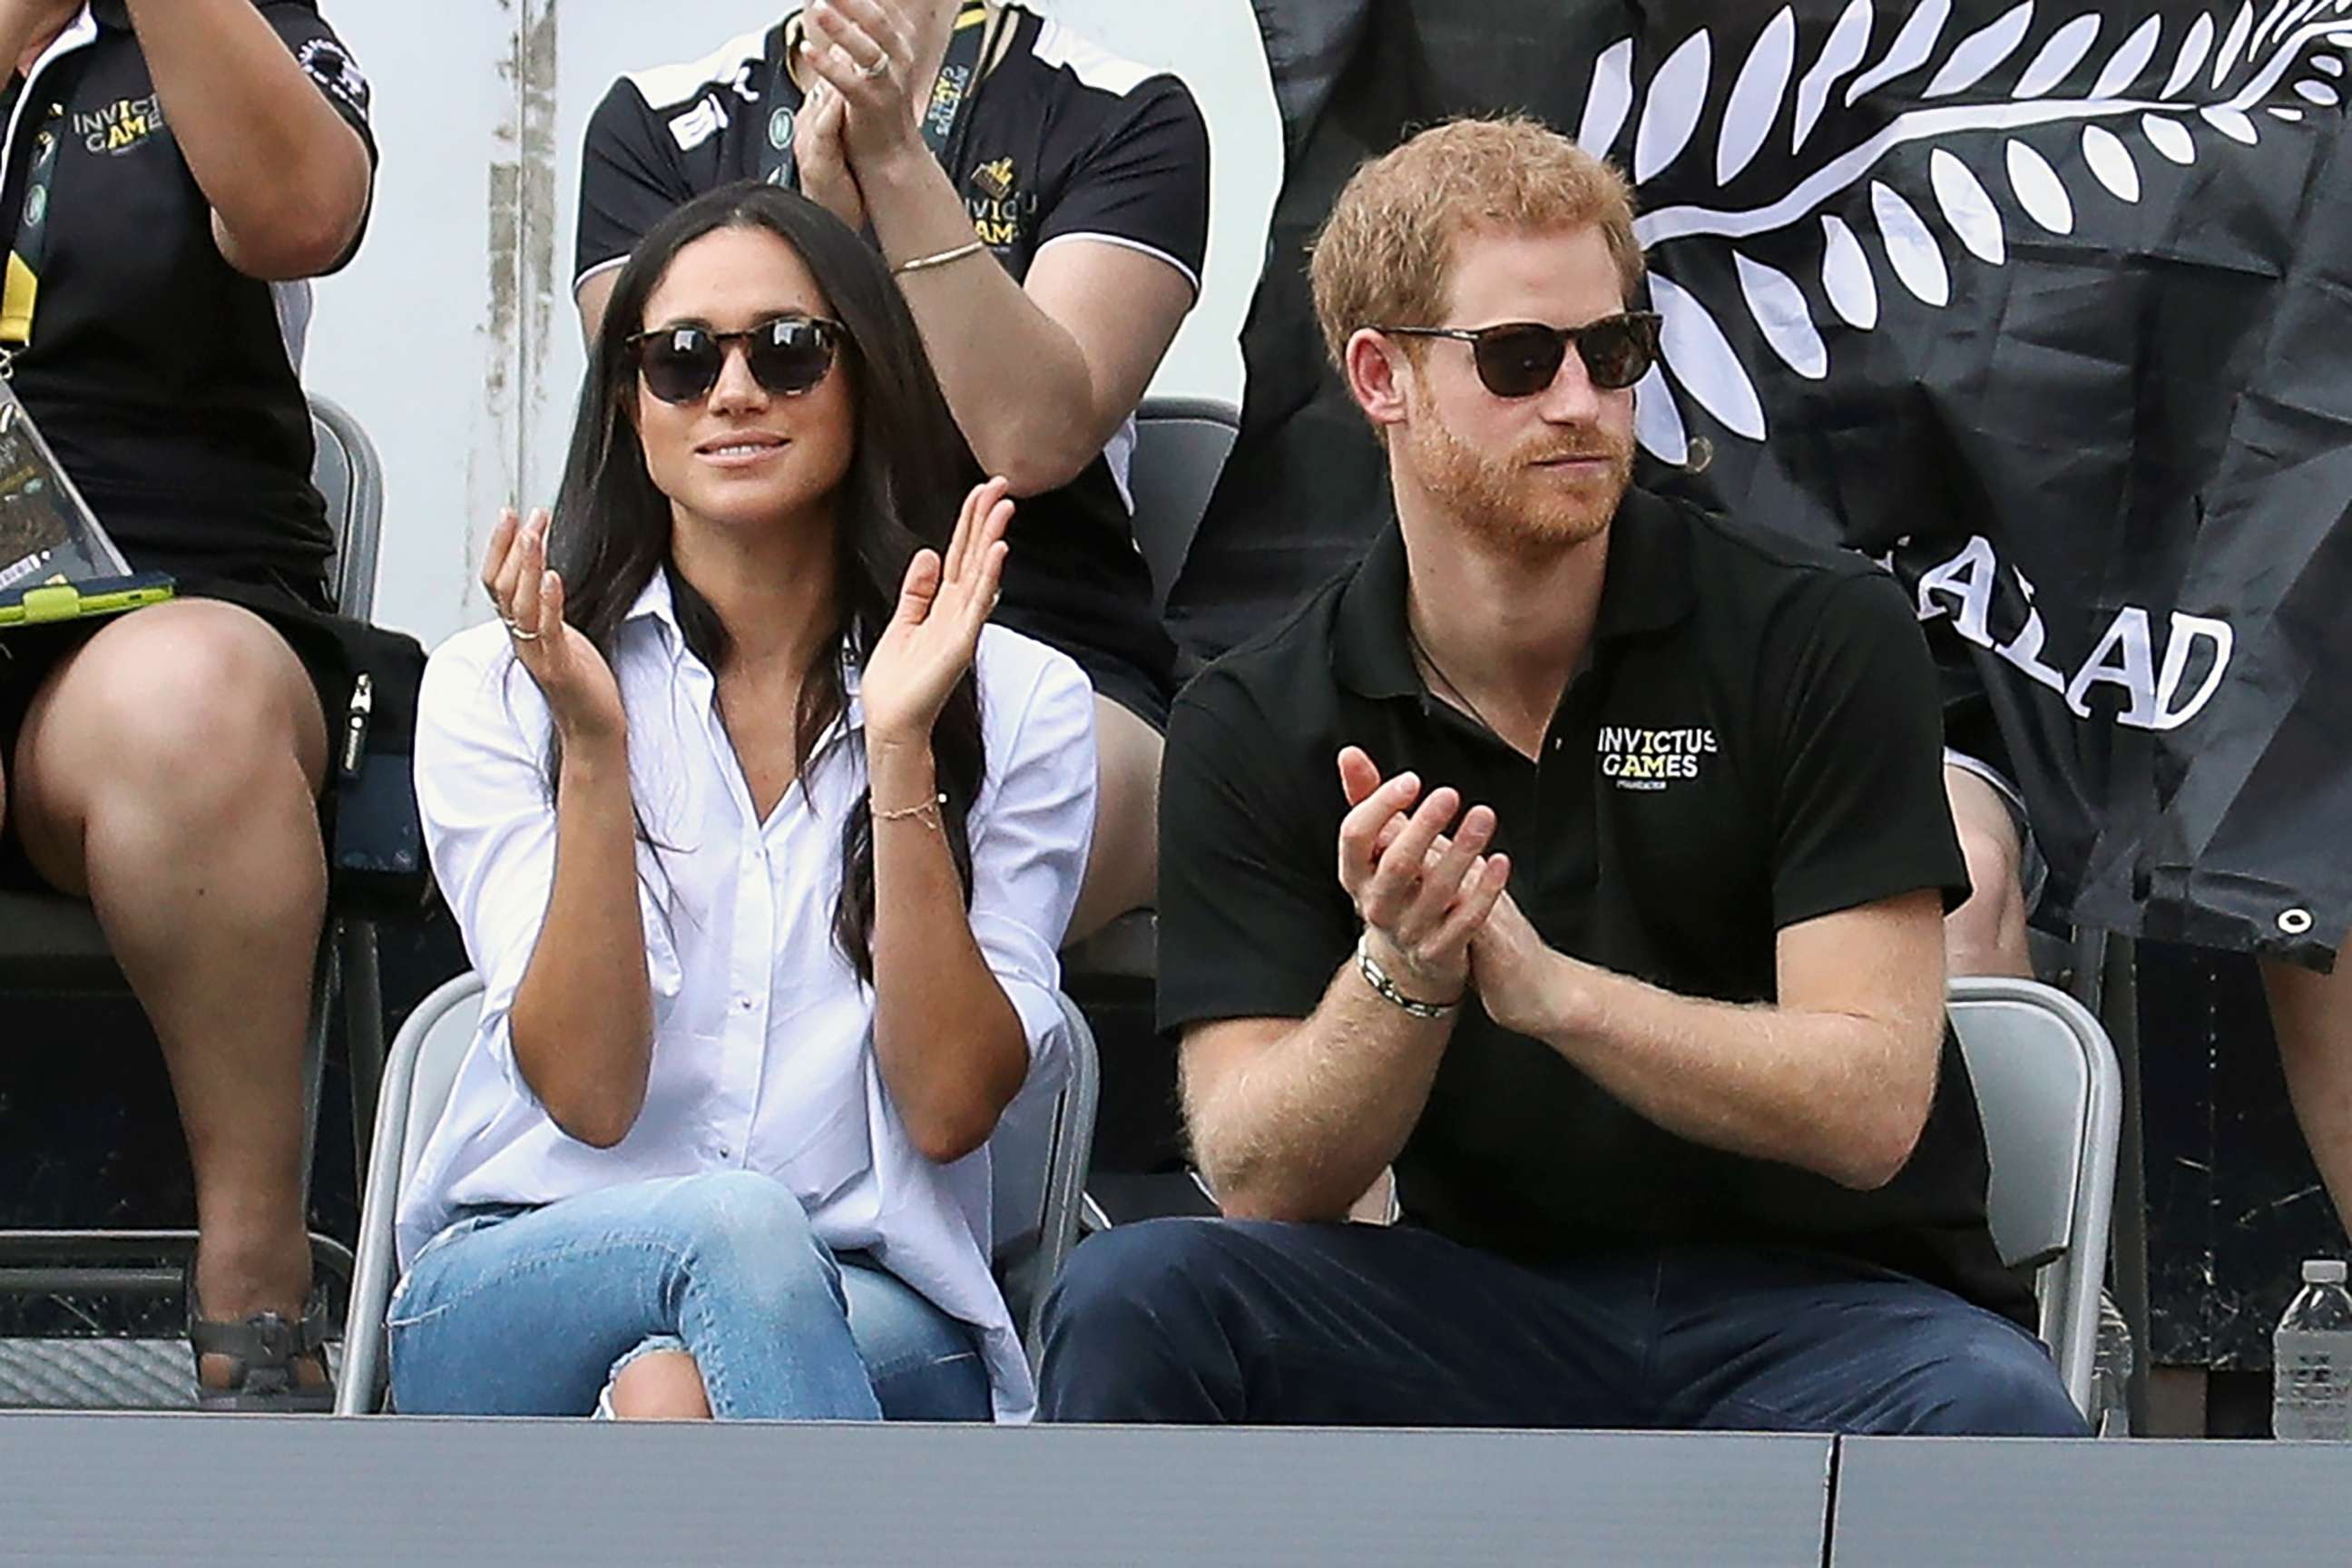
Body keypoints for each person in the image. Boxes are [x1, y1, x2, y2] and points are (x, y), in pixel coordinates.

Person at [1035, 117, 2086, 1437]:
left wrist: (1558, 999)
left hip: (1834, 1311)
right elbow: (1258, 1174)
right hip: (1477, 1309)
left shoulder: (1815, 632)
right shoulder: (1260, 711)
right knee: (1141, 1294)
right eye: (1522, 360)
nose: (1583, 403)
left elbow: (1872, 1103)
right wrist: (1401, 980)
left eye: (1616, 350)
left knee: (1997, 1414)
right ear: (1381, 377)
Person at [397, 181, 1095, 1423]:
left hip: (872, 1303)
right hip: (525, 1277)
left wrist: (899, 749)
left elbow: (948, 1107)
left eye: (787, 352)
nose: (732, 394)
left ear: (865, 375)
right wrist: (597, 753)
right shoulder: (497, 685)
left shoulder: (1023, 700)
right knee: (731, 1232)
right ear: (630, 404)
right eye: (678, 360)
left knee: (676, 1391)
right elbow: (590, 1096)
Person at [573, 0, 1208, 939]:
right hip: (725, 643)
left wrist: (899, 165)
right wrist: (811, 223)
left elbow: (1030, 437)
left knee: (919, 877)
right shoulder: (659, 121)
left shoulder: (1119, 110)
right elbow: (663, 424)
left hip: (1026, 631)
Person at [0, 0, 375, 1409]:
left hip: (157, 605)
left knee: (191, 700)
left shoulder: (234, 27)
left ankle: (255, 1283)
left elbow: (302, 215)